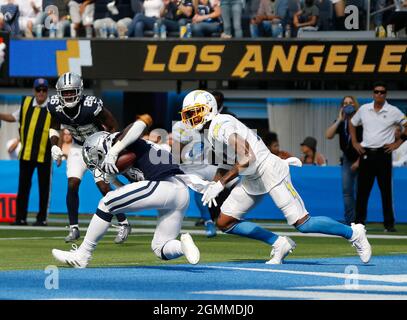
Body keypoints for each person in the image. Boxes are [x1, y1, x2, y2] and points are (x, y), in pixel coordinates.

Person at [179, 89, 371, 264]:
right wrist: (212, 185)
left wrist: (221, 185)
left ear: (209, 108)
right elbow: (226, 163)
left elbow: (247, 156)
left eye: (195, 112)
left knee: (303, 223)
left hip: (269, 170)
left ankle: (353, 232)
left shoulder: (221, 125)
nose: (192, 118)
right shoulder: (211, 131)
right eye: (189, 114)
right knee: (225, 221)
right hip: (251, 176)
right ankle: (279, 243)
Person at [51, 124, 200, 268]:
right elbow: (129, 194)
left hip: (165, 185)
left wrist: (114, 151)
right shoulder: (123, 158)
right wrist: (114, 180)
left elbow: (141, 123)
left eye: (96, 157)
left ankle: (82, 255)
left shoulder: (119, 142)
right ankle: (182, 246)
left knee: (106, 203)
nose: (98, 163)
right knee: (160, 248)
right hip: (180, 192)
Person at [47, 71, 132, 243]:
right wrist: (54, 145)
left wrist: (111, 149)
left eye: (72, 92)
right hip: (78, 147)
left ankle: (124, 223)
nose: (69, 95)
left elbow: (112, 124)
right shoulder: (55, 106)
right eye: (65, 92)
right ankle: (74, 228)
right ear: (59, 93)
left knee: (103, 187)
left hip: (97, 147)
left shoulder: (91, 105)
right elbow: (54, 127)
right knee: (72, 183)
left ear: (80, 91)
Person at [349, 81, 407, 232]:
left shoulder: (393, 111)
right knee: (362, 190)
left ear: (386, 94)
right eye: (376, 92)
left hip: (383, 154)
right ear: (373, 93)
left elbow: (406, 124)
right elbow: (352, 123)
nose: (379, 94)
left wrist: (398, 143)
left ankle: (389, 224)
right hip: (366, 153)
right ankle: (359, 223)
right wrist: (355, 141)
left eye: (382, 92)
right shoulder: (364, 109)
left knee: (386, 191)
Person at [0, 78, 52, 226]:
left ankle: (41, 219)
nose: (41, 93)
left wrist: (58, 150)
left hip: (44, 154)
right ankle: (20, 218)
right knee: (22, 188)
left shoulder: (52, 107)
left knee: (44, 189)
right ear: (34, 91)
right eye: (38, 89)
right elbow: (12, 117)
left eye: (44, 90)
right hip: (26, 153)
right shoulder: (26, 104)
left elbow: (59, 130)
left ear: (47, 91)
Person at [325, 96, 362, 225]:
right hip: (347, 159)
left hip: (361, 158)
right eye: (345, 103)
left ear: (355, 105)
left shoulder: (361, 121)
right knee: (347, 191)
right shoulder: (342, 122)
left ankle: (359, 221)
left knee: (360, 191)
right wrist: (339, 120)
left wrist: (359, 161)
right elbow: (328, 135)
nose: (348, 105)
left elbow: (367, 142)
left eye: (350, 103)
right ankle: (350, 221)